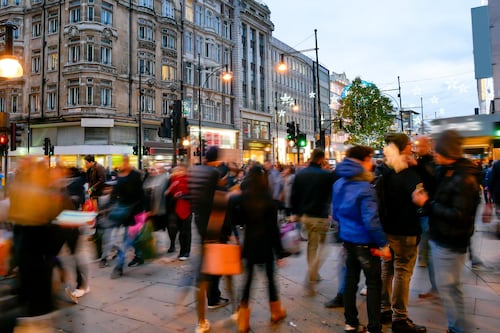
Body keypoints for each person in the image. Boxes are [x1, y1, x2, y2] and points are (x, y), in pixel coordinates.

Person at [412, 129, 480, 333]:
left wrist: (427, 204)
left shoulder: (463, 178)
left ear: (449, 152)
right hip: (443, 236)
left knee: (449, 288)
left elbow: (459, 214)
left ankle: (458, 328)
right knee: (450, 288)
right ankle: (456, 326)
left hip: (451, 241)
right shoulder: (448, 170)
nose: (434, 154)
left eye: (438, 151)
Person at [333, 145, 391, 333]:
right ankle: (374, 327)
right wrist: (383, 244)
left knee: (350, 281)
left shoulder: (339, 183)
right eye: (371, 158)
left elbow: (334, 214)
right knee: (374, 283)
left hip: (348, 239)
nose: (373, 162)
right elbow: (371, 221)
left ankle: (351, 323)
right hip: (366, 242)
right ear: (364, 160)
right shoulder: (366, 188)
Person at [225, 164, 288, 333]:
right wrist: (280, 252)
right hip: (266, 245)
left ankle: (243, 320)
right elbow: (274, 229)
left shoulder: (242, 198)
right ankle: (276, 312)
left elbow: (234, 218)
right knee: (270, 280)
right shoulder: (269, 200)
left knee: (247, 281)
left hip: (250, 244)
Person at [375, 133, 426, 333]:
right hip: (405, 229)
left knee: (387, 270)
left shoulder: (382, 169)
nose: (412, 147)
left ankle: (384, 309)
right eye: (409, 145)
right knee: (403, 271)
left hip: (386, 228)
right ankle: (400, 318)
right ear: (403, 148)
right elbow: (420, 197)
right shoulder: (407, 173)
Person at [188, 146, 232, 333]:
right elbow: (221, 199)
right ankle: (213, 297)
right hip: (213, 223)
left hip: (198, 221)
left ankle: (211, 294)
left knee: (208, 258)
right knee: (215, 263)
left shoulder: (195, 171)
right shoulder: (214, 174)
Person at [291, 148, 337, 296]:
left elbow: (294, 195)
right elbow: (332, 194)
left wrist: (296, 213)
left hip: (306, 216)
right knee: (324, 248)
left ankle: (313, 272)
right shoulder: (326, 175)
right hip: (321, 216)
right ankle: (312, 274)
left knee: (312, 245)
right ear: (321, 159)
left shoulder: (300, 174)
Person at [412, 135, 439, 299]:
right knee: (428, 250)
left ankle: (437, 287)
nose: (416, 148)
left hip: (429, 212)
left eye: (419, 145)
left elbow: (431, 180)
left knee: (431, 251)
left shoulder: (429, 164)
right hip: (425, 211)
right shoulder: (423, 163)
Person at [109, 155, 145, 279]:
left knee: (126, 240)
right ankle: (139, 255)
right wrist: (111, 205)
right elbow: (115, 193)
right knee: (128, 239)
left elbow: (141, 194)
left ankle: (119, 266)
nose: (123, 164)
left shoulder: (135, 175)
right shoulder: (119, 176)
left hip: (135, 213)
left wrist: (145, 211)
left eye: (125, 161)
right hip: (123, 213)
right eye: (121, 162)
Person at [165, 164, 191, 260]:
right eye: (177, 170)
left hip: (186, 208)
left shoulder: (189, 180)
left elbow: (193, 194)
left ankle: (186, 252)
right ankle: (182, 252)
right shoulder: (172, 180)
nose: (178, 172)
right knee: (179, 231)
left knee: (185, 231)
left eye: (181, 170)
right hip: (175, 208)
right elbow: (168, 194)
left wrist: (182, 195)